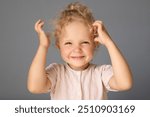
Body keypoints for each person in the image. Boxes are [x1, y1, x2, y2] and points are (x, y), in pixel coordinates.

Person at [27, 2, 133, 99]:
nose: (77, 49)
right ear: (59, 46)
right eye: (68, 43)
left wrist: (109, 43)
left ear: (95, 44)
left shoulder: (101, 73)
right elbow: (35, 87)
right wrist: (43, 47)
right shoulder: (56, 72)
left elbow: (125, 83)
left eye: (85, 42)